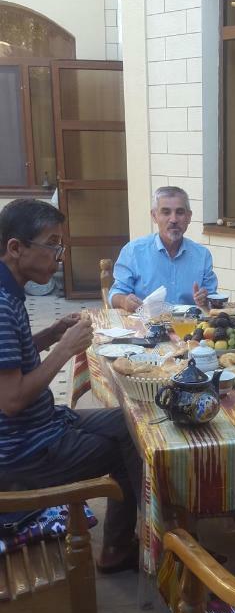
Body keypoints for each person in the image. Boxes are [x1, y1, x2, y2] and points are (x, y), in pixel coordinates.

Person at [0, 198, 142, 573]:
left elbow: (9, 361)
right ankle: (135, 544)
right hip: (24, 452)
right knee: (132, 448)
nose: (59, 256)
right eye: (52, 244)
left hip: (45, 424)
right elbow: (11, 400)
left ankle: (128, 539)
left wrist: (49, 334)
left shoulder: (10, 293)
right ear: (16, 248)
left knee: (134, 421)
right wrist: (64, 350)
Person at [109, 186, 218, 312]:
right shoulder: (133, 251)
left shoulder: (202, 255)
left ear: (189, 217)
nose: (173, 220)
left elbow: (212, 300)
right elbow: (115, 294)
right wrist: (124, 301)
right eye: (166, 212)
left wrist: (206, 301)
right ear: (154, 216)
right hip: (145, 326)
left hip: (188, 327)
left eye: (180, 212)